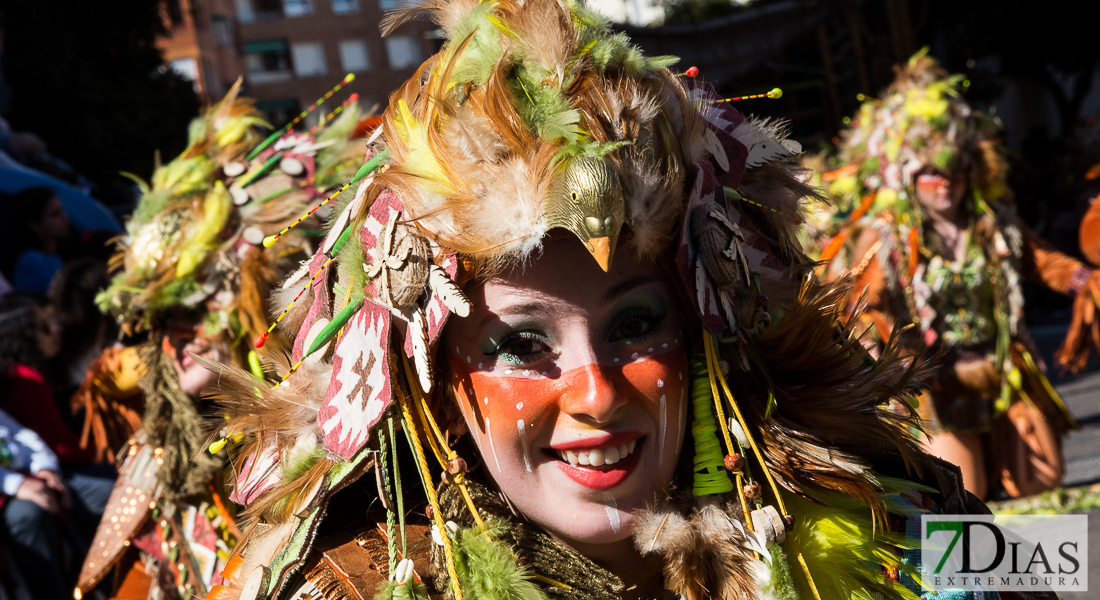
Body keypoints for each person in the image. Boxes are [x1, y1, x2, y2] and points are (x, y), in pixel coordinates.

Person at [202, 6, 1053, 600]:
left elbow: (1046, 569)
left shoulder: (875, 521)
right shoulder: (352, 589)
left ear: (701, 336)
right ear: (437, 388)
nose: (599, 393)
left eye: (637, 325)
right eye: (519, 345)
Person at [72, 81, 375, 600]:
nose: (174, 335)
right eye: (158, 320)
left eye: (194, 308)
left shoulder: (327, 408)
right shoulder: (162, 442)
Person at [816, 51, 1098, 501]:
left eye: (956, 169)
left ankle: (997, 455)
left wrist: (1086, 281)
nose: (946, 182)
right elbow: (863, 306)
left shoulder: (994, 220)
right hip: (937, 386)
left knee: (1042, 481)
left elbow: (1042, 260)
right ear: (908, 175)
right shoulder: (889, 232)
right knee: (966, 493)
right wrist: (896, 360)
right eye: (931, 172)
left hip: (1002, 369)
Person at [7, 187, 71, 294]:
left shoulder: (55, 258)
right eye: (55, 214)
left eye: (62, 210)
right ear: (34, 225)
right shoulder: (31, 260)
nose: (66, 217)